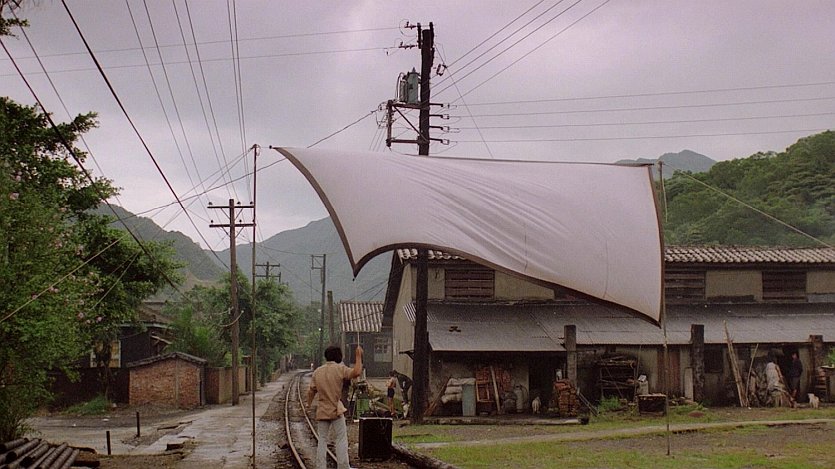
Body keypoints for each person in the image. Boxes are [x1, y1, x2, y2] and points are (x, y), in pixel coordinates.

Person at [307, 345, 363, 469]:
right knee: (341, 438)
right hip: (336, 409)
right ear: (339, 356)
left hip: (322, 409)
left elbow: (311, 391)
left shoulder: (317, 371)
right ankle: (343, 466)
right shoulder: (340, 369)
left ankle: (320, 466)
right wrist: (358, 356)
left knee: (322, 439)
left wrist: (308, 404)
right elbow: (357, 372)